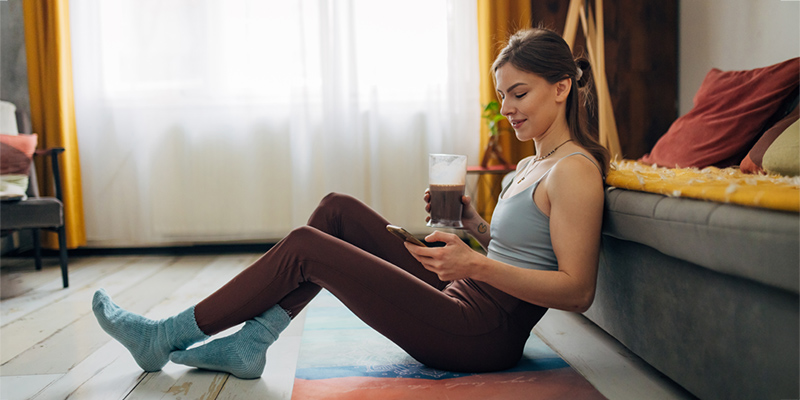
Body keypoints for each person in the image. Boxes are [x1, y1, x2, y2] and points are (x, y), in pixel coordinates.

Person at [91, 27, 608, 380]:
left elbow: (577, 290)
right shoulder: (530, 166)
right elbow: (521, 251)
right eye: (502, 96)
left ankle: (163, 337)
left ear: (562, 87)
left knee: (305, 247)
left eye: (519, 93)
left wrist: (473, 261)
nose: (508, 108)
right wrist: (476, 227)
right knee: (335, 208)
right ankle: (253, 341)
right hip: (465, 291)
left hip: (483, 334)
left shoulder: (575, 172)